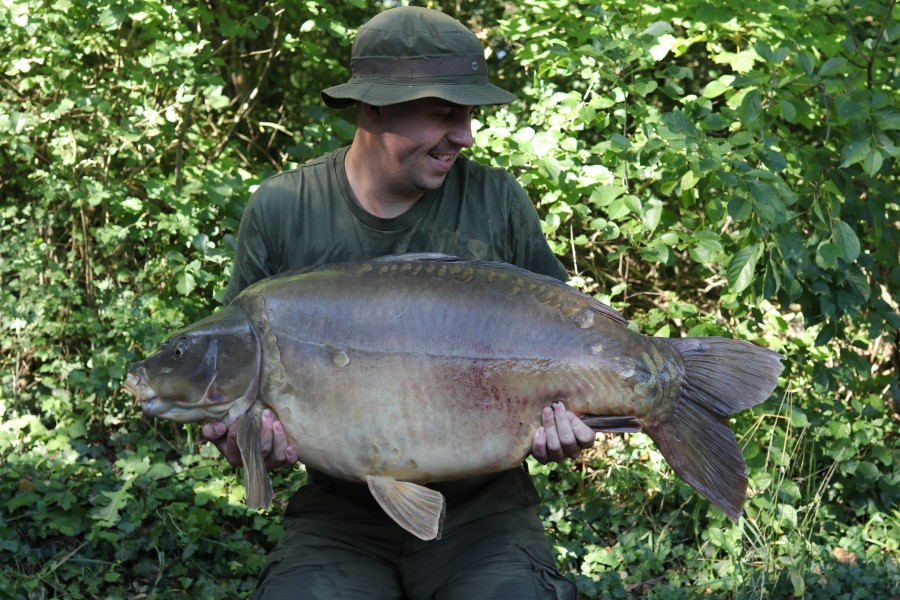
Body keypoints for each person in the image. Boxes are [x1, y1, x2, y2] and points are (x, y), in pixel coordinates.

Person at [202, 7, 595, 599]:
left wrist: (573, 424)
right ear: (374, 107)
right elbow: (238, 379)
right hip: (341, 517)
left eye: (468, 116)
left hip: (487, 515)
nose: (465, 136)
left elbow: (569, 347)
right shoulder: (285, 208)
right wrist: (247, 442)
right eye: (444, 115)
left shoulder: (495, 200)